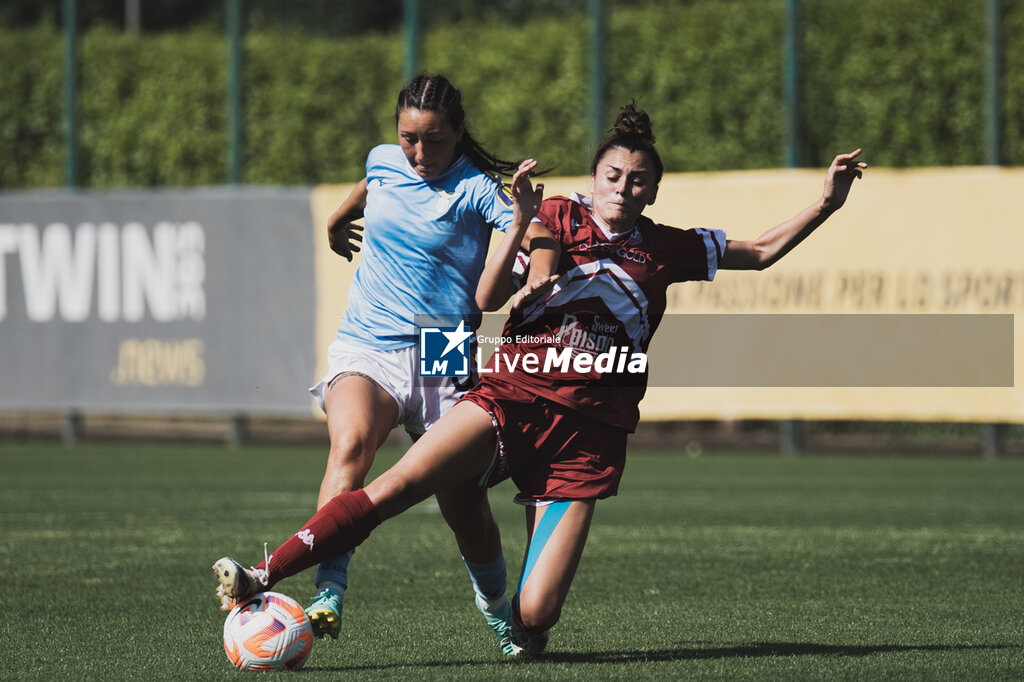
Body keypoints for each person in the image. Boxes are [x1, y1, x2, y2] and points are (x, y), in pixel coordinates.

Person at [214, 103, 865, 655]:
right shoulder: (556, 216)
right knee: (391, 486)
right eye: (614, 174)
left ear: (654, 191)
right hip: (511, 400)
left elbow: (759, 252)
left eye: (639, 180)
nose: (624, 187)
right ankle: (262, 574)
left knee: (535, 620)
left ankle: (511, 613)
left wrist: (826, 204)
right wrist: (529, 272)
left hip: (591, 438)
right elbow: (495, 290)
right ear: (594, 175)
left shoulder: (667, 247)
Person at [305, 72, 555, 654]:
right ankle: (328, 591)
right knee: (350, 449)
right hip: (368, 342)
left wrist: (536, 283)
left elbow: (541, 239)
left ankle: (498, 611)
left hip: (443, 350)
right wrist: (336, 219)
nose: (419, 154)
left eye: (434, 140)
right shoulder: (386, 160)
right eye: (409, 138)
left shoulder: (478, 189)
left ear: (459, 132)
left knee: (465, 511)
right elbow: (372, 183)